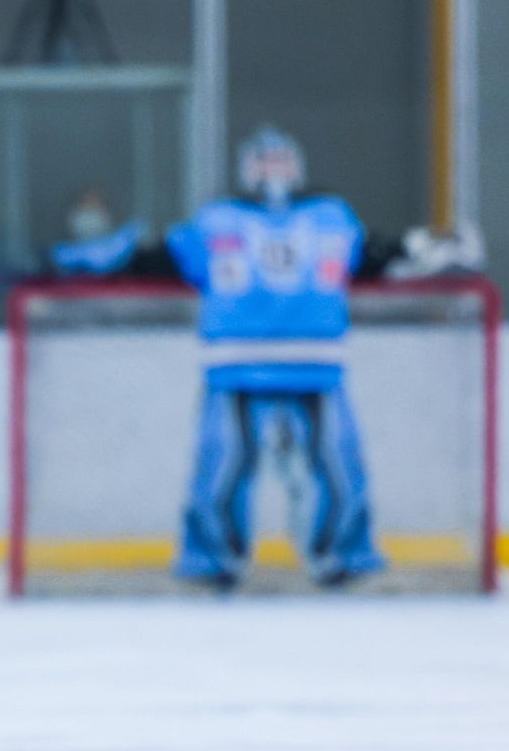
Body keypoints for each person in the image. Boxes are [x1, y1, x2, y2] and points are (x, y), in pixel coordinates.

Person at [50, 127, 479, 589]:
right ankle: (211, 560)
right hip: (237, 365)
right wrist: (79, 258)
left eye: (281, 161)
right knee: (223, 463)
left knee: (338, 460)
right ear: (244, 168)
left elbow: (379, 254)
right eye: (263, 161)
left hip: (315, 364)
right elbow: (151, 257)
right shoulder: (217, 220)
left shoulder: (330, 215)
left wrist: (431, 248)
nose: (273, 172)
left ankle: (343, 555)